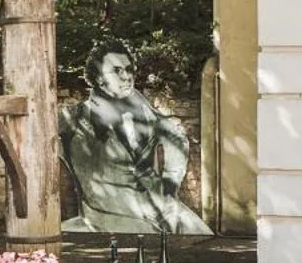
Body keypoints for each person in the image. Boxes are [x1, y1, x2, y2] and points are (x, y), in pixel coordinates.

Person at [60, 43, 211, 235]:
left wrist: (170, 185)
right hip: (111, 215)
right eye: (117, 71)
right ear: (99, 78)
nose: (126, 76)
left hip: (159, 209)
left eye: (129, 69)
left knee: (203, 237)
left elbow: (177, 139)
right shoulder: (74, 118)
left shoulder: (145, 110)